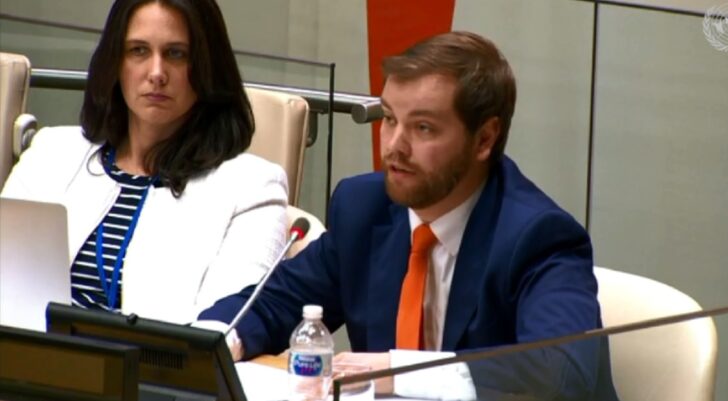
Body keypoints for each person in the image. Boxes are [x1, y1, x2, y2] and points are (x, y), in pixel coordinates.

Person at [200, 31, 617, 400]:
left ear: (484, 139)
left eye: (423, 128)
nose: (394, 146)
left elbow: (560, 372)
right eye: (389, 119)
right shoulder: (364, 209)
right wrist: (212, 343)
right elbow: (274, 302)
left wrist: (397, 371)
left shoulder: (537, 236)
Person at [0, 0, 288, 324]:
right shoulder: (51, 151)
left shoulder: (252, 187)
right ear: (115, 62)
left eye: (176, 54)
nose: (156, 73)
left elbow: (221, 329)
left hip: (155, 357)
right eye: (138, 50)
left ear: (207, 67)